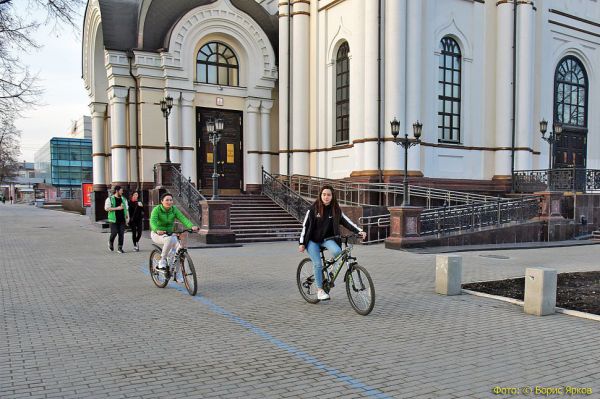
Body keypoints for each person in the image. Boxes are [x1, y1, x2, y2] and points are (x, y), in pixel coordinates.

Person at [299, 185, 367, 300]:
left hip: (327, 239)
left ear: (332, 196)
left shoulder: (336, 210)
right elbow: (305, 226)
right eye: (324, 194)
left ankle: (330, 271)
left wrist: (359, 231)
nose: (326, 197)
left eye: (329, 195)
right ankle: (320, 290)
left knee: (338, 252)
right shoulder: (313, 209)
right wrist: (301, 243)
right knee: (318, 264)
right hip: (312, 241)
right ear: (320, 195)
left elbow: (347, 222)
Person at [150, 192, 199, 270]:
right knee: (169, 239)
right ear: (162, 201)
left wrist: (191, 226)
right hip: (157, 234)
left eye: (171, 200)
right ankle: (162, 260)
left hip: (170, 233)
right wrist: (157, 229)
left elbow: (183, 218)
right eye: (167, 200)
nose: (169, 202)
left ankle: (177, 272)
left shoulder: (174, 209)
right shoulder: (157, 209)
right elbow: (152, 221)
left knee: (180, 249)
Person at [104, 186, 129, 253]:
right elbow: (106, 208)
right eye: (121, 190)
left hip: (122, 220)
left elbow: (126, 208)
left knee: (121, 234)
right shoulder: (110, 199)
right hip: (113, 219)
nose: (122, 192)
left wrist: (127, 216)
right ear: (117, 191)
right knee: (114, 232)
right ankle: (110, 242)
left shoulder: (124, 199)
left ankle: (120, 248)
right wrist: (117, 208)